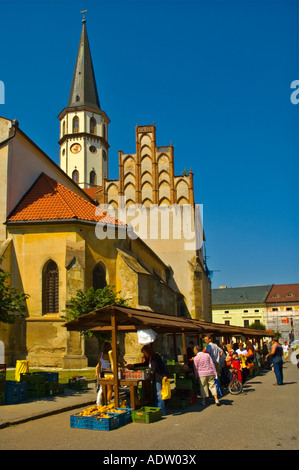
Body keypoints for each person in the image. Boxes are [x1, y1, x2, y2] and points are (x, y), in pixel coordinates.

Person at [128, 344, 168, 415]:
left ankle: (162, 411)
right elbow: (144, 364)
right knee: (156, 393)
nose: (144, 354)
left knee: (159, 394)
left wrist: (149, 373)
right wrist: (133, 365)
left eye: (144, 353)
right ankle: (158, 409)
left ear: (147, 352)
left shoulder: (155, 357)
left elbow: (154, 368)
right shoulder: (149, 358)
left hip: (158, 377)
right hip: (154, 377)